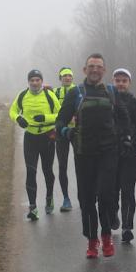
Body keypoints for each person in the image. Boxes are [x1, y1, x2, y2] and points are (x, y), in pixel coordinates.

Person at [55, 54, 130, 259]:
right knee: (87, 199)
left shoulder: (112, 92)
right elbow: (60, 122)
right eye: (91, 66)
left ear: (104, 71)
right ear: (84, 69)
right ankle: (91, 240)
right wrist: (67, 133)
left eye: (98, 67)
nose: (95, 70)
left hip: (108, 152)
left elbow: (124, 119)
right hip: (84, 152)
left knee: (106, 195)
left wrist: (125, 139)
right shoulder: (75, 93)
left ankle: (106, 236)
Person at [9, 69, 61, 220]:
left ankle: (49, 198)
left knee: (47, 170)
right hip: (30, 137)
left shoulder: (49, 95)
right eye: (32, 80)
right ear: (28, 82)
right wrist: (19, 118)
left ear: (41, 81)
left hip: (48, 136)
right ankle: (32, 207)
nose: (35, 82)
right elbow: (12, 111)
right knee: (31, 171)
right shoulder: (22, 95)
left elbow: (61, 114)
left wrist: (45, 117)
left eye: (37, 80)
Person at [110, 68, 136, 243]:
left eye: (124, 80)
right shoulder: (107, 100)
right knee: (112, 188)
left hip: (131, 153)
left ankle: (127, 227)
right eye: (118, 80)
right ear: (113, 81)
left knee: (128, 190)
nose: (121, 83)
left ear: (129, 83)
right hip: (110, 153)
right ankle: (113, 213)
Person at [54, 67, 76, 212]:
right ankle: (66, 198)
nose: (67, 78)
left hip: (77, 132)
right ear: (60, 79)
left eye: (69, 75)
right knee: (62, 166)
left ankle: (85, 197)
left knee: (83, 166)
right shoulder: (55, 92)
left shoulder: (79, 90)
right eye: (64, 76)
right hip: (61, 133)